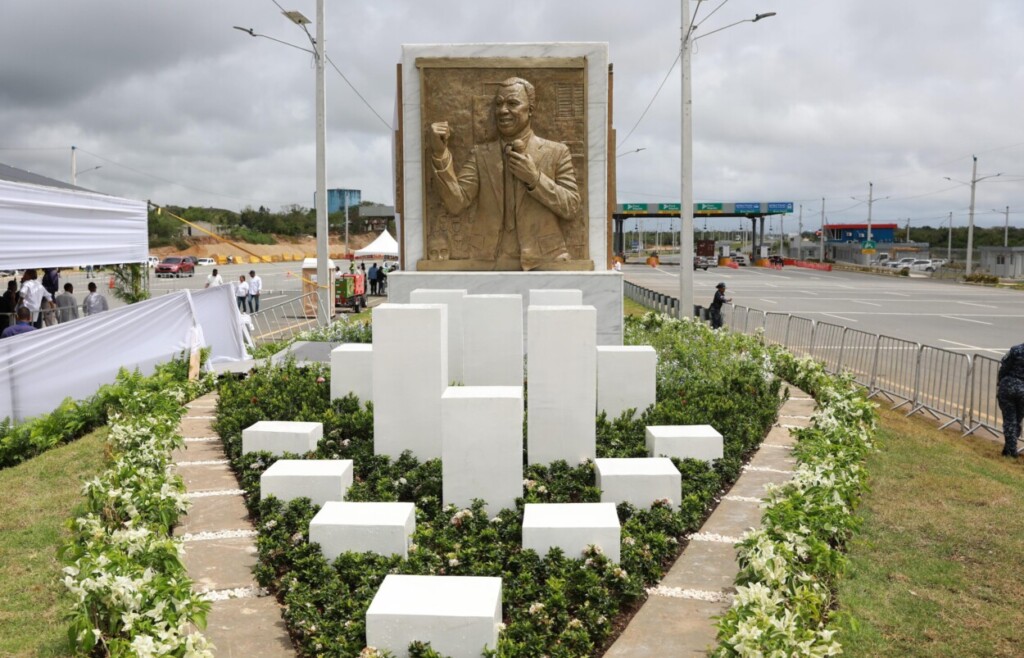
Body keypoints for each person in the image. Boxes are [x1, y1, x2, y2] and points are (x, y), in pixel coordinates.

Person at [429, 77, 582, 271]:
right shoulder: (480, 155)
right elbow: (456, 203)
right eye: (499, 104)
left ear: (531, 110)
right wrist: (440, 153)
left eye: (512, 103)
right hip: (488, 258)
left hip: (545, 257)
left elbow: (571, 207)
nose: (503, 110)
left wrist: (534, 179)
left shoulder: (557, 152)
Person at [996, 343, 1024, 458]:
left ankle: (1011, 451)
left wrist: (1000, 382)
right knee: (1016, 421)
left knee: (1010, 421)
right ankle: (1009, 450)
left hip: (1008, 387)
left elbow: (1004, 368)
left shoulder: (1016, 349)